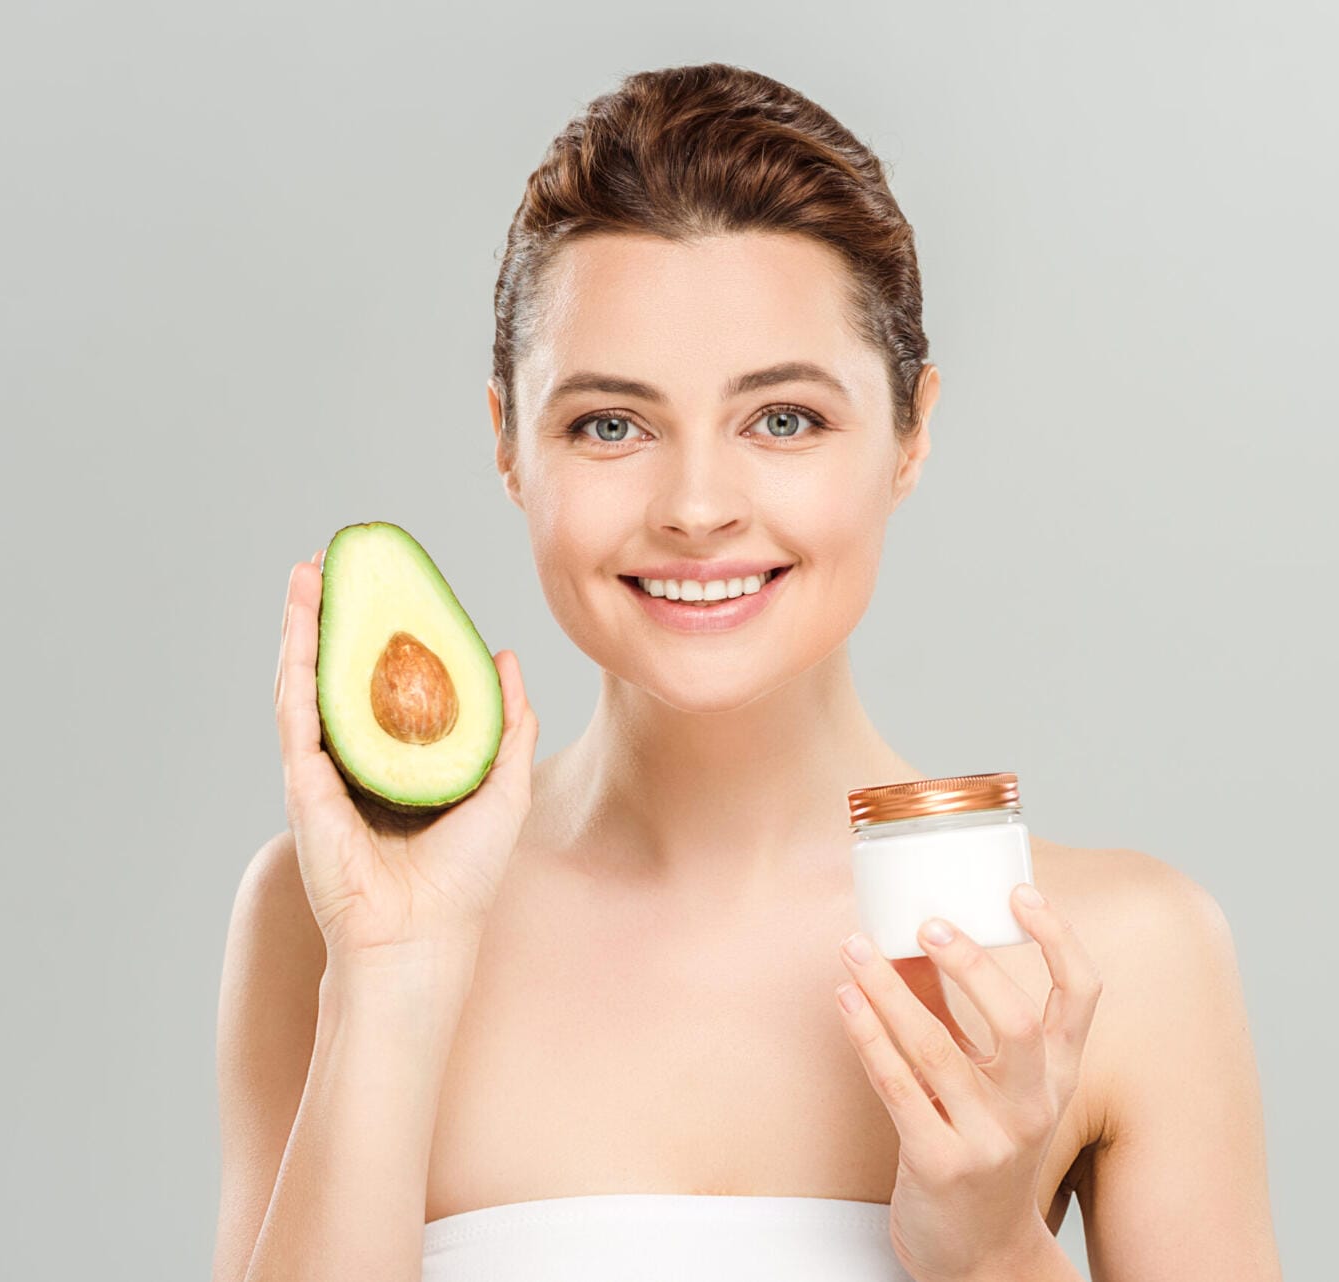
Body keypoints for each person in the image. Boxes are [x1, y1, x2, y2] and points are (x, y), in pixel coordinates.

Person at [214, 62, 1281, 1282]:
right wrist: (392, 981)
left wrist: (988, 1250)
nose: (699, 508)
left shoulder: (1124, 958)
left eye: (783, 419)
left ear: (911, 431)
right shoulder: (333, 915)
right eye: (610, 424)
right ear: (509, 441)